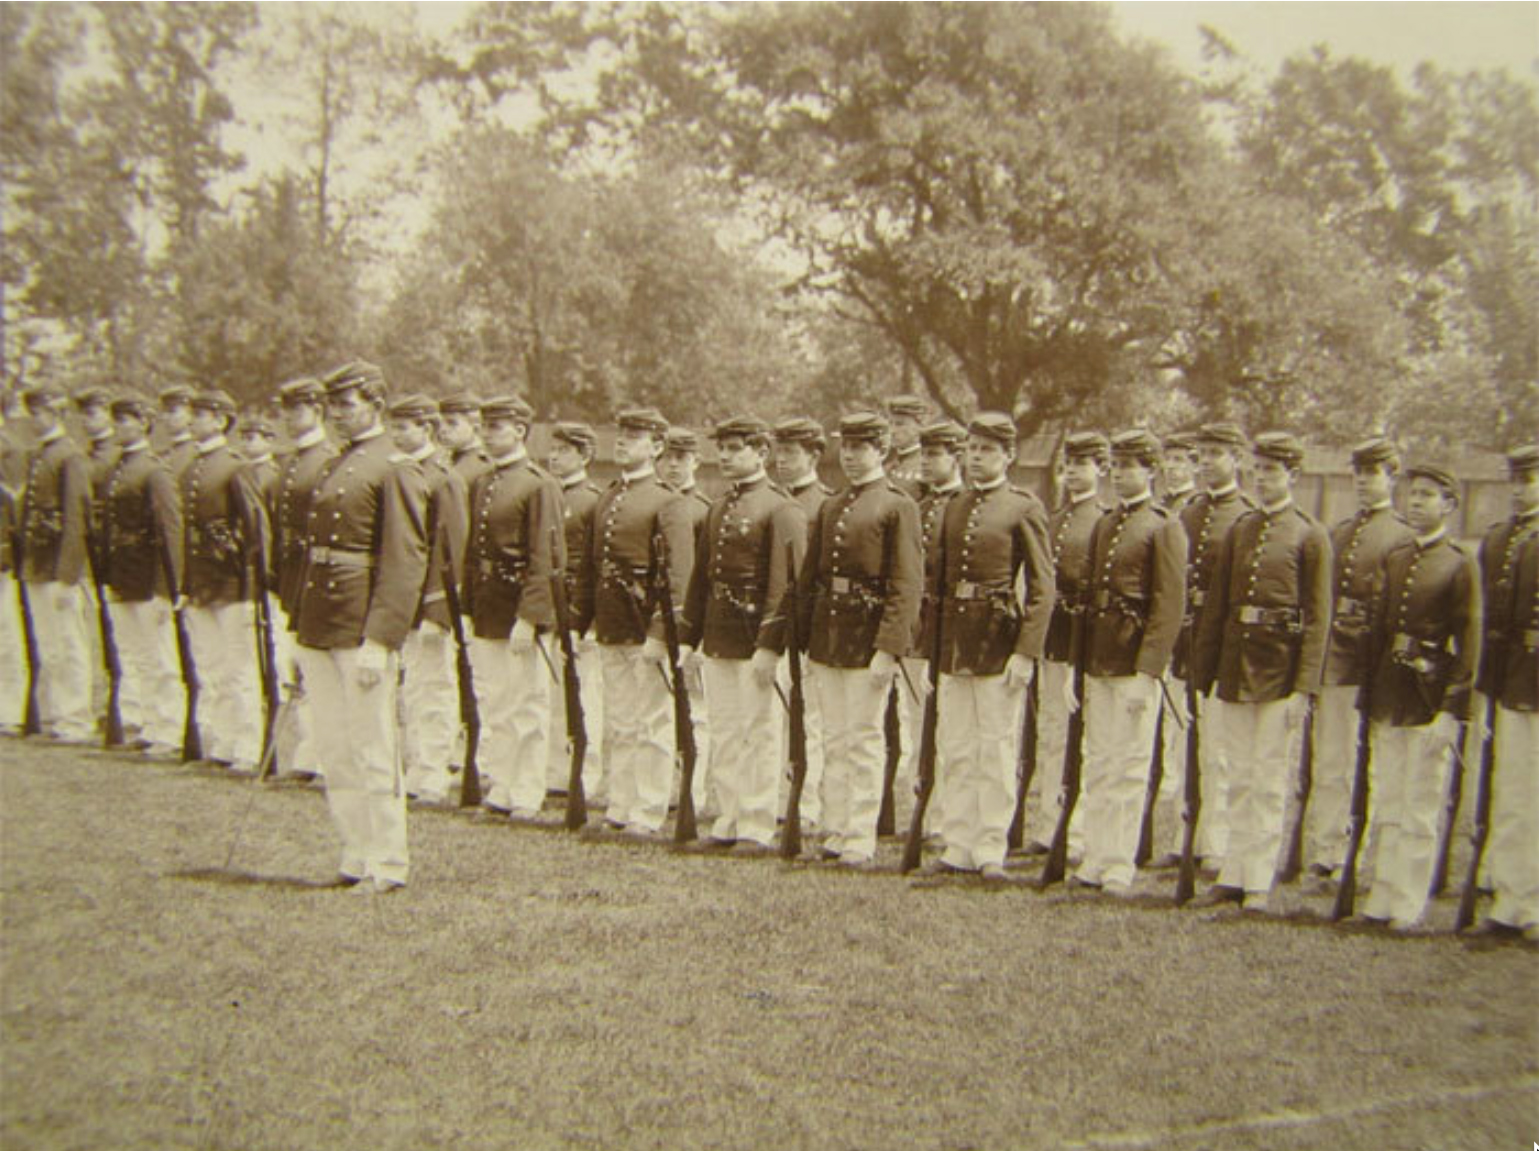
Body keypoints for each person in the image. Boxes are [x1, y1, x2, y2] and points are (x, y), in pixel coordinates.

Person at [293, 360, 428, 894]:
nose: (338, 413)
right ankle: (355, 854)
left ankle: (388, 863)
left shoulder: (393, 466)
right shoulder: (333, 464)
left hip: (360, 622)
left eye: (348, 403)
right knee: (334, 746)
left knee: (374, 747)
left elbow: (404, 559)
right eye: (334, 404)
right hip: (321, 620)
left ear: (375, 402)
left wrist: (381, 637)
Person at [1192, 431, 1331, 913]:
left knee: (1269, 777)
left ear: (1292, 475)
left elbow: (1317, 619)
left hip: (1278, 670)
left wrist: (1304, 686)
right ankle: (1233, 871)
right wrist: (1203, 672)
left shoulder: (1310, 534)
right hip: (1235, 666)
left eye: (1272, 470)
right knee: (1236, 773)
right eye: (1259, 469)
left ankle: (1258, 880)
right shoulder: (1242, 528)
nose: (1262, 477)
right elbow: (1216, 608)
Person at [924, 412, 1054, 879]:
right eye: (972, 449)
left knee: (995, 748)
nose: (977, 458)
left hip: (998, 643)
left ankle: (990, 848)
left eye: (987, 450)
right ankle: (957, 843)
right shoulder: (954, 506)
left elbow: (1042, 588)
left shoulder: (1023, 507)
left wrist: (1025, 652)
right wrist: (934, 651)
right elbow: (936, 585)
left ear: (1009, 455)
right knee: (955, 745)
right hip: (956, 643)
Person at [795, 411, 921, 868]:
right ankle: (835, 826)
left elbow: (906, 583)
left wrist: (889, 647)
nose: (849, 455)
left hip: (868, 639)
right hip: (829, 636)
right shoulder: (832, 505)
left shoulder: (896, 505)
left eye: (861, 446)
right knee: (833, 737)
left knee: (864, 738)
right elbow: (811, 578)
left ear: (882, 450)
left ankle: (860, 835)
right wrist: (802, 638)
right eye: (845, 446)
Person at [1357, 463, 1479, 931]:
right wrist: (1370, 701)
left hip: (1429, 698)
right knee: (1388, 798)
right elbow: (1378, 634)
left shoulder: (1459, 563)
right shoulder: (1397, 557)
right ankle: (1381, 896)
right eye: (1413, 494)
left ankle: (1408, 902)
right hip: (1391, 695)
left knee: (1420, 805)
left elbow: (1469, 644)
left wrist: (1452, 711)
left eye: (1428, 496)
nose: (1417, 502)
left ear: (1449, 505)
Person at [679, 416, 807, 854]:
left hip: (755, 638)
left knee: (760, 730)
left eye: (735, 448)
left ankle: (755, 824)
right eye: (723, 448)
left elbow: (785, 587)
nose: (726, 456)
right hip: (719, 634)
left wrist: (769, 646)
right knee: (726, 729)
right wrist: (686, 636)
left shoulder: (781, 508)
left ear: (761, 452)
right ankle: (728, 820)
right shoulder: (718, 507)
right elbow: (701, 579)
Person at [1071, 429, 1186, 896]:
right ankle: (1094, 858)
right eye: (1116, 466)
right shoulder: (1105, 524)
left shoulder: (1164, 526)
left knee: (1130, 766)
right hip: (1101, 658)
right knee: (1098, 762)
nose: (1120, 475)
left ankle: (1119, 862)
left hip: (1134, 661)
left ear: (1151, 472)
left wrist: (1149, 672)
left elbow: (1168, 606)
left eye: (1131, 466)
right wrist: (1079, 668)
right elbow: (1088, 599)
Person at [572, 407, 696, 838]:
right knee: (619, 720)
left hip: (646, 627)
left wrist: (663, 634)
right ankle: (620, 805)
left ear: (657, 446)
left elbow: (679, 577)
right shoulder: (608, 496)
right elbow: (591, 570)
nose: (622, 441)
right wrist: (578, 622)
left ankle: (647, 809)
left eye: (634, 435)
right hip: (611, 622)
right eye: (621, 434)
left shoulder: (669, 501)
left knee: (653, 724)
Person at [1302, 436, 1414, 888]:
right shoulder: (1340, 533)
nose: (1365, 483)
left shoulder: (1403, 536)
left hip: (1378, 660)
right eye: (1359, 474)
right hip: (1339, 659)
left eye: (1374, 474)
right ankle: (1328, 851)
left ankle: (1366, 852)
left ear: (1392, 477)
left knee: (1379, 763)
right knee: (1331, 760)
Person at [1150, 422, 1255, 871]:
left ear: (1237, 459)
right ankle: (1183, 837)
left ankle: (1215, 843)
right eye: (1204, 454)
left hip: (1222, 641)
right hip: (1184, 636)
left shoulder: (1246, 516)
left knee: (1220, 747)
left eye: (1217, 454)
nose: (1208, 462)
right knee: (1181, 742)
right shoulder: (1187, 514)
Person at [461, 395, 564, 820]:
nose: (487, 434)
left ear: (520, 431)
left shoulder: (539, 484)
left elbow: (546, 556)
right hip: (488, 603)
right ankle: (501, 786)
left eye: (496, 427)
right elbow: (472, 550)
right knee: (496, 702)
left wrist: (531, 617)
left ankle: (526, 791)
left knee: (527, 703)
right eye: (484, 427)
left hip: (520, 605)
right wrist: (468, 606)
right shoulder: (483, 482)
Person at [1025, 432, 1108, 857]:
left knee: (1086, 737)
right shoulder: (1054, 519)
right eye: (1069, 463)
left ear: (1101, 469)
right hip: (1054, 638)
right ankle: (1048, 825)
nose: (1073, 471)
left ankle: (1077, 831)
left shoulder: (1103, 519)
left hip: (1087, 640)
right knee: (1052, 733)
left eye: (1083, 463)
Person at [178, 389, 268, 772]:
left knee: (238, 669)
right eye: (192, 415)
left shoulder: (234, 467)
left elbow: (256, 530)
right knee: (210, 667)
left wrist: (252, 583)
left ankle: (246, 748)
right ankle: (219, 745)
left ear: (220, 420)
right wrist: (185, 585)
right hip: (202, 581)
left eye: (201, 415)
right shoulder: (190, 470)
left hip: (233, 584)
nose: (192, 421)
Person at [387, 394, 469, 807]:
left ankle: (432, 772)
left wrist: (438, 610)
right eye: (394, 426)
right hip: (397, 602)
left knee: (432, 689)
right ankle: (413, 766)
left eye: (405, 427)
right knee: (406, 691)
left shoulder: (444, 478)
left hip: (428, 602)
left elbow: (449, 550)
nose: (397, 434)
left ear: (427, 429)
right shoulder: (396, 473)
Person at [1473, 443, 1539, 940]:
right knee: (1515, 792)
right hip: (1517, 678)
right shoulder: (1501, 541)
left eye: (1530, 480)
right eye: (1515, 480)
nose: (1521, 489)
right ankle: (1513, 902)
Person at [99, 394, 184, 758]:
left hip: (149, 575)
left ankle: (168, 731)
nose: (117, 427)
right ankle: (145, 726)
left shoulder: (154, 470)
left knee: (160, 658)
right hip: (124, 574)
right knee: (135, 654)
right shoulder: (120, 468)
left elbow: (170, 529)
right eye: (115, 420)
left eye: (123, 420)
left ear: (141, 422)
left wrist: (168, 587)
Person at [900, 420, 966, 832]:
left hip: (954, 627)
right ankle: (921, 812)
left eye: (935, 454)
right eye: (923, 454)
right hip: (917, 628)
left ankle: (948, 816)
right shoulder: (917, 507)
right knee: (916, 721)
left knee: (953, 728)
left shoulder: (965, 505)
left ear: (955, 457)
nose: (925, 462)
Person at [268, 377, 336, 782]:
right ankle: (310, 754)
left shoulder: (327, 459)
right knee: (299, 667)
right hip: (292, 575)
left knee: (320, 669)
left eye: (297, 409)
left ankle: (323, 757)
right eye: (286, 410)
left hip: (318, 574)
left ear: (317, 410)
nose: (289, 418)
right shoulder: (291, 463)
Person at [17, 385, 93, 742]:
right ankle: (59, 716)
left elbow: (76, 518)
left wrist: (68, 575)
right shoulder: (40, 454)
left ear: (58, 415)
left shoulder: (69, 456)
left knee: (68, 644)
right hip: (37, 563)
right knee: (49, 644)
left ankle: (76, 718)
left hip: (57, 566)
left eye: (42, 413)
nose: (36, 420)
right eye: (34, 413)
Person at [771, 416, 834, 827]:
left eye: (791, 453)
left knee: (810, 719)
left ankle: (806, 804)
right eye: (779, 452)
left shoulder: (824, 505)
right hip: (772, 626)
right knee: (772, 718)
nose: (782, 460)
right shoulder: (770, 501)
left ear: (813, 455)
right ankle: (776, 799)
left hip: (809, 629)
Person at [544, 421, 605, 801]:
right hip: (548, 610)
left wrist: (588, 620)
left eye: (565, 450)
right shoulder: (547, 494)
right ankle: (554, 772)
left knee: (585, 696)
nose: (555, 456)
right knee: (549, 695)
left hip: (577, 610)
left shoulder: (591, 501)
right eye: (554, 449)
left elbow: (593, 567)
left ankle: (586, 773)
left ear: (584, 456)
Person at [657, 425, 712, 815]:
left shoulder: (701, 510)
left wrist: (689, 629)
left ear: (696, 461)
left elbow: (695, 575)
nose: (673, 466)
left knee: (699, 713)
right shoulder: (660, 504)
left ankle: (696, 790)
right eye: (667, 458)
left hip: (691, 623)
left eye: (681, 458)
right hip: (660, 621)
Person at [438, 393, 492, 486]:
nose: (442, 429)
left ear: (476, 427)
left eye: (452, 423)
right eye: (441, 423)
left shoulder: (485, 467)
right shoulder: (443, 459)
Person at [883, 395, 929, 498]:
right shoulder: (886, 464)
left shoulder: (926, 466)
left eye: (900, 424)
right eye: (890, 424)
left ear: (920, 426)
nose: (892, 431)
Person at [156, 385, 198, 480]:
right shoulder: (164, 453)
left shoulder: (195, 454)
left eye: (172, 412)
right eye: (163, 412)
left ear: (191, 414)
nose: (164, 417)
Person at [1160, 432, 1199, 514]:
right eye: (1167, 459)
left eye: (1178, 460)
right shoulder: (1159, 502)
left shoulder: (1197, 503)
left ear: (1195, 465)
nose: (1170, 466)